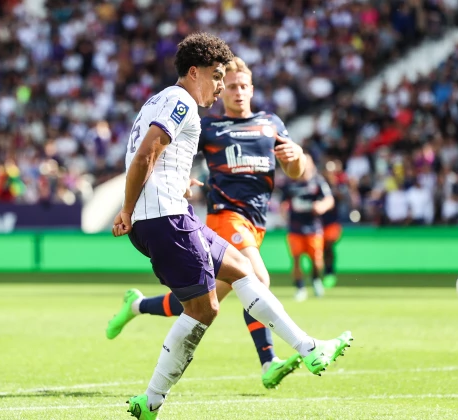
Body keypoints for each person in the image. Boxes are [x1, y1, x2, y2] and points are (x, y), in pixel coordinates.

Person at [112, 33, 353, 420]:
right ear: (194, 72)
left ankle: (309, 348)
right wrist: (126, 209)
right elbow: (144, 155)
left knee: (242, 272)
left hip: (170, 212)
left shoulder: (158, 99)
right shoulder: (181, 102)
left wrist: (173, 182)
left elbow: (155, 153)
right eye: (218, 76)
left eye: (230, 79)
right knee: (204, 309)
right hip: (165, 219)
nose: (222, 86)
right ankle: (152, 401)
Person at [107, 56, 310, 389]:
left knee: (203, 299)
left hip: (255, 223)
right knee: (256, 277)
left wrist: (297, 158)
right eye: (228, 85)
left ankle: (139, 306)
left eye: (242, 86)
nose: (236, 91)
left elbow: (295, 171)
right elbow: (169, 151)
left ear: (252, 88)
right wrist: (180, 181)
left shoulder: (270, 123)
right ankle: (272, 360)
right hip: (225, 217)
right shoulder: (211, 126)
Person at [280, 155, 335, 301]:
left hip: (313, 227)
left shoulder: (318, 182)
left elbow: (329, 200)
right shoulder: (290, 183)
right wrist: (284, 212)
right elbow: (283, 203)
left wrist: (321, 207)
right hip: (295, 227)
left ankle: (316, 280)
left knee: (316, 260)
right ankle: (300, 287)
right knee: (296, 259)